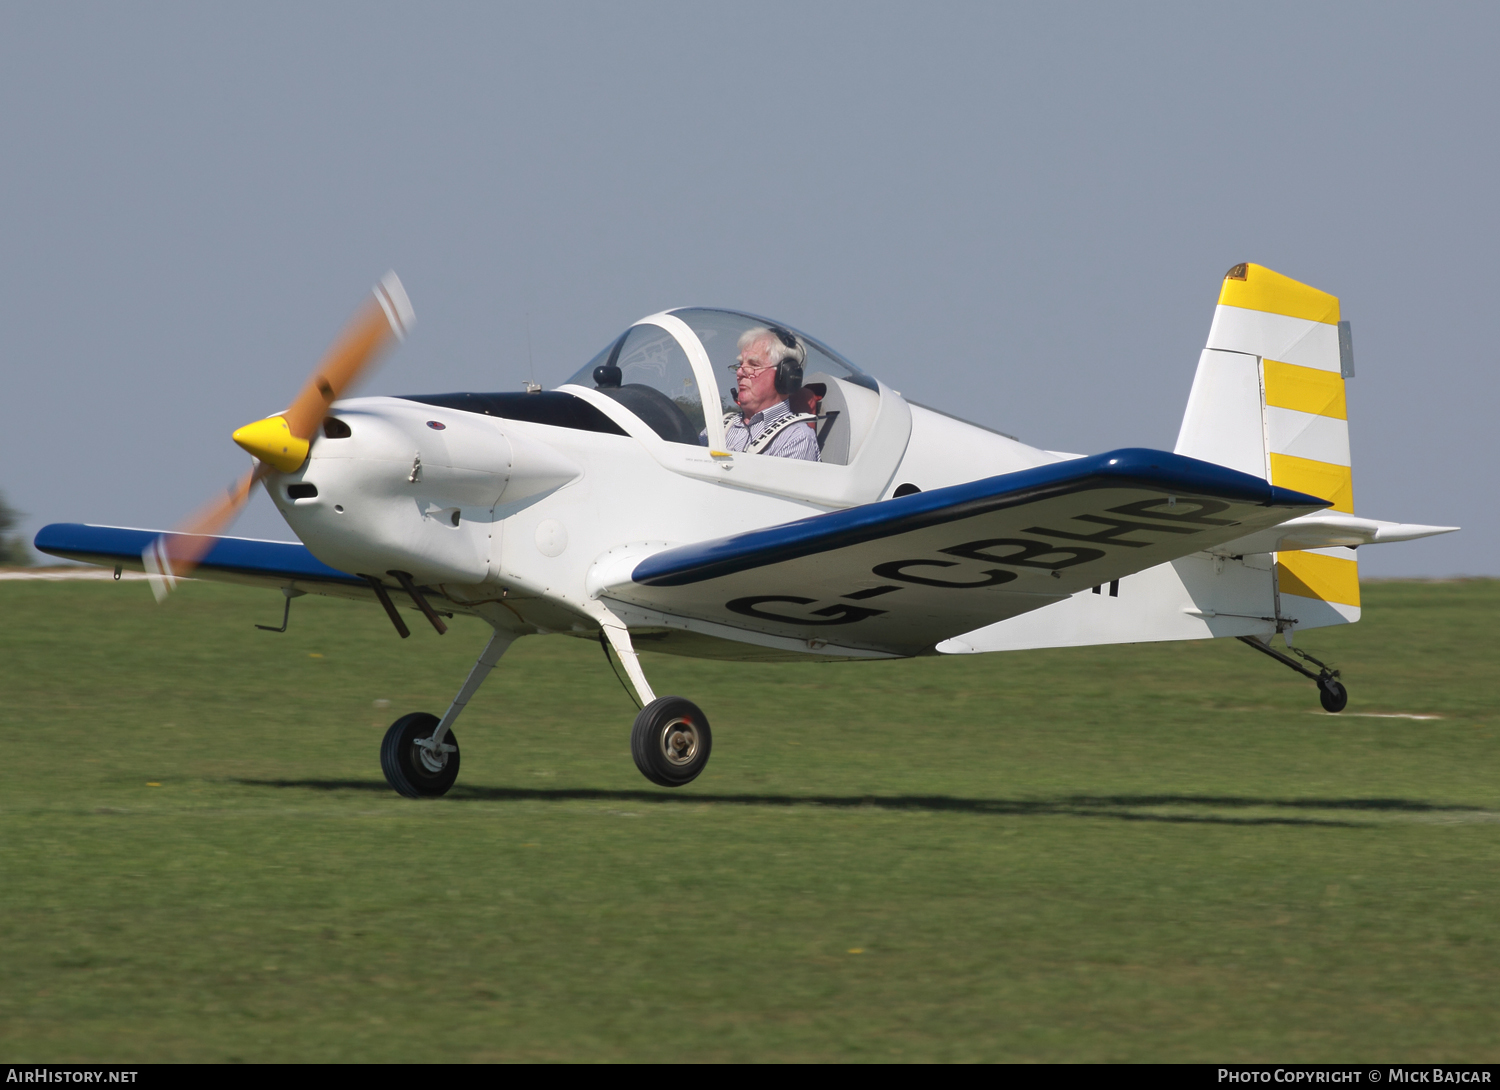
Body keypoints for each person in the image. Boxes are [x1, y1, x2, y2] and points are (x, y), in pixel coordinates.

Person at [710, 326, 821, 461]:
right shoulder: (721, 425)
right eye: (740, 365)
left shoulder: (796, 438)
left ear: (785, 376)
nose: (739, 372)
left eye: (754, 365)